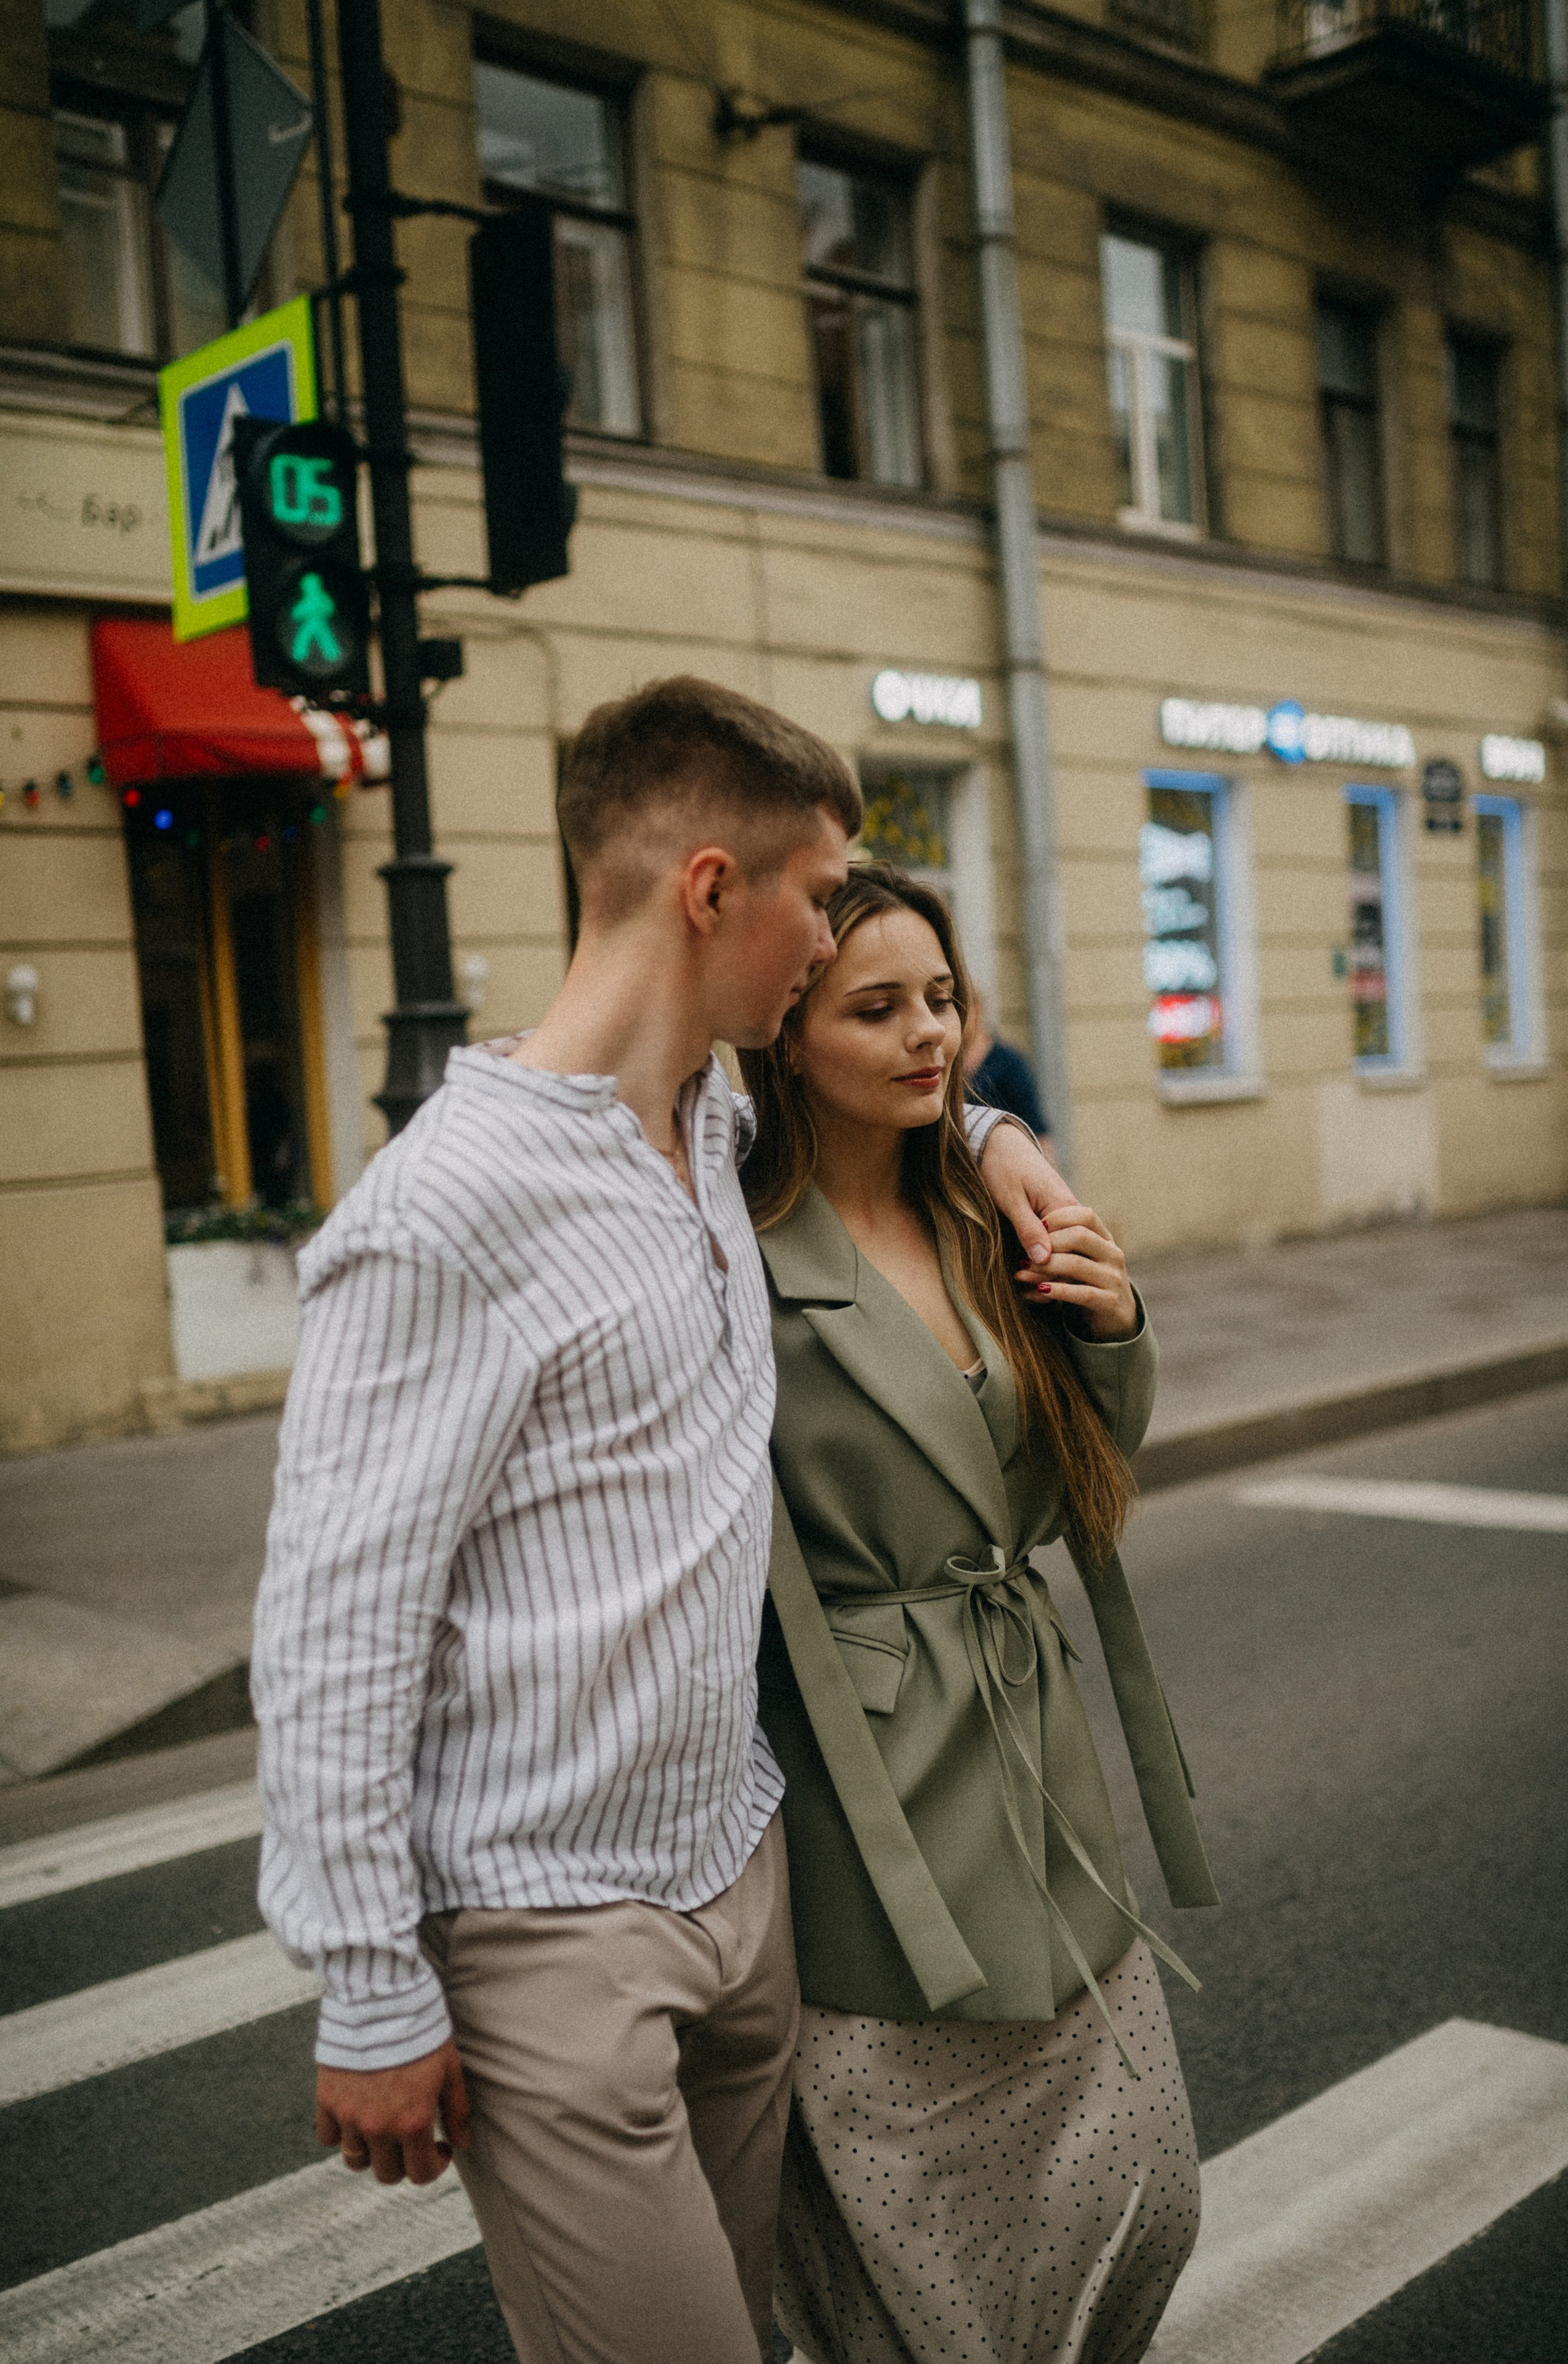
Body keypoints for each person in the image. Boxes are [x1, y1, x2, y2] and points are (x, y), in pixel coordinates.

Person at [251, 678, 1080, 2364]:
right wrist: (369, 1985)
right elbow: (337, 1628)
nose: (831, 933)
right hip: (555, 1933)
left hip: (738, 1875)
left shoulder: (704, 1116)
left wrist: (991, 1136)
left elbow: (885, 1099)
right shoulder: (448, 1211)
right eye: (819, 893)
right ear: (715, 890)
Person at [739, 861, 1219, 2364]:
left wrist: (1110, 1318)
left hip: (1028, 1736)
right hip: (868, 1772)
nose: (925, 1033)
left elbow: (1086, 1448)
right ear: (784, 1029)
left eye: (939, 998)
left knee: (1144, 2189)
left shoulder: (977, 1213)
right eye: (872, 1006)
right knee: (918, 2251)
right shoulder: (735, 1252)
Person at [963, 988, 1053, 1154]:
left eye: (959, 1007)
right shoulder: (946, 1065)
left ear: (976, 1008)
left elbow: (1037, 1131)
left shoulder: (1009, 1064)